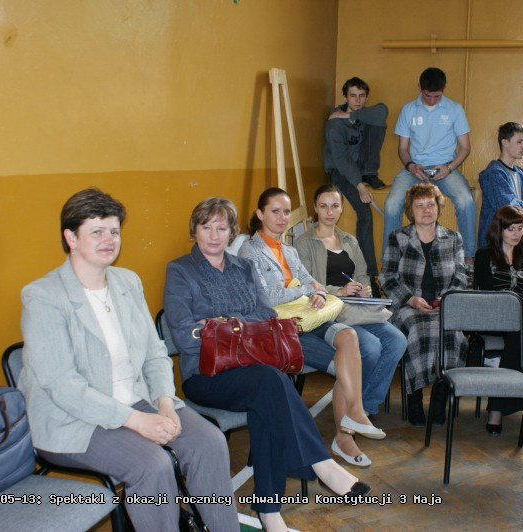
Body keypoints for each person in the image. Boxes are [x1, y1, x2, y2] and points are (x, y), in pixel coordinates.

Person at [17, 188, 239, 532]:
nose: (109, 240)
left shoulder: (127, 282)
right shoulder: (43, 296)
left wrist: (165, 402)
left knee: (209, 442)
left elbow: (154, 353)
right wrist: (137, 421)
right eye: (97, 231)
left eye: (114, 231)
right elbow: (63, 386)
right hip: (73, 420)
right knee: (153, 465)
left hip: (137, 401)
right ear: (71, 238)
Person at [163, 197, 371, 531]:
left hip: (253, 368)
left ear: (232, 232)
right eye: (206, 227)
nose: (214, 235)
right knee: (271, 381)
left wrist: (221, 324)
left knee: (267, 397)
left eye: (221, 228)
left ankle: (269, 512)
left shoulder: (243, 268)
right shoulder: (180, 271)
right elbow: (186, 338)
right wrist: (242, 324)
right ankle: (321, 463)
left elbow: (267, 315)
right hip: (205, 375)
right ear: (195, 230)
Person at [238, 188, 385, 469]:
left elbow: (313, 284)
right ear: (260, 214)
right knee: (346, 362)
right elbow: (267, 298)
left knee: (349, 337)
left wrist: (315, 292)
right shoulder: (250, 251)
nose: (282, 218)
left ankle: (354, 414)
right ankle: (345, 437)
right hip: (280, 329)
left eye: (286, 212)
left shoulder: (289, 250)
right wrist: (307, 290)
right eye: (275, 211)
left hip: (308, 319)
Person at [295, 184, 407, 416]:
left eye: (335, 206)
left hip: (356, 308)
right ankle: (354, 408)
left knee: (397, 341)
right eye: (323, 206)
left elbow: (363, 274)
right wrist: (340, 291)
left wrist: (364, 289)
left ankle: (364, 406)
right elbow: (305, 285)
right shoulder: (304, 242)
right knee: (370, 347)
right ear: (315, 208)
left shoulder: (350, 240)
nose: (329, 212)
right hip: (328, 311)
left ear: (342, 208)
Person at [379, 183, 469, 426]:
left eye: (431, 204)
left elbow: (462, 276)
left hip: (444, 306)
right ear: (411, 210)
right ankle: (415, 397)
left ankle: (440, 398)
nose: (426, 210)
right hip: (408, 306)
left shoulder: (453, 238)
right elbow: (387, 277)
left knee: (452, 332)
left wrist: (445, 299)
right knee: (418, 329)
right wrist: (410, 298)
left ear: (438, 207)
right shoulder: (398, 238)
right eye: (419, 205)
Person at [382, 67, 476, 262]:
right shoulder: (408, 110)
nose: (432, 100)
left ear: (443, 90)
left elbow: (465, 148)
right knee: (391, 204)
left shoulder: (455, 109)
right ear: (419, 87)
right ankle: (390, 260)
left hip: (446, 168)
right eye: (427, 96)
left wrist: (449, 168)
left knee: (466, 201)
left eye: (437, 96)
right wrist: (410, 166)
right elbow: (402, 149)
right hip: (415, 168)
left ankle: (468, 258)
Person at [475, 205, 523, 435]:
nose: (517, 234)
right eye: (511, 229)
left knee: (522, 327)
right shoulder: (483, 256)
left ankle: (497, 409)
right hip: (493, 318)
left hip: (522, 323)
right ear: (499, 229)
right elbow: (487, 294)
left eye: (520, 228)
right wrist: (521, 301)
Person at [325, 77, 389, 288]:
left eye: (362, 96)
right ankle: (369, 276)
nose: (358, 100)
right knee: (365, 214)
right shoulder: (335, 124)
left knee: (376, 121)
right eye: (353, 96)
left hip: (362, 169)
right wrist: (360, 186)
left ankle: (370, 172)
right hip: (342, 173)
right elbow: (341, 160)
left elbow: (383, 110)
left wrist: (351, 114)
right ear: (345, 97)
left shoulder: (364, 114)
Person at [477, 122, 523, 250]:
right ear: (505, 142)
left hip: (517, 244)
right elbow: (509, 208)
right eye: (519, 142)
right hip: (495, 244)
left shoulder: (521, 174)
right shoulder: (493, 173)